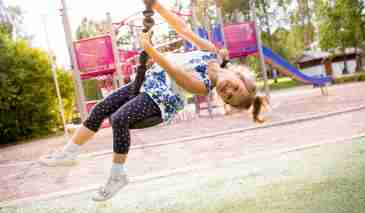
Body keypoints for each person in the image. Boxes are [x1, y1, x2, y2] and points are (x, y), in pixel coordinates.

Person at [39, 0, 269, 201]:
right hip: (148, 83)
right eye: (235, 87)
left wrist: (149, 48)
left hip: (160, 100)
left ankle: (117, 176)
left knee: (119, 119)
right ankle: (68, 154)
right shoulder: (211, 52)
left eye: (228, 97)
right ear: (237, 74)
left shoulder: (202, 86)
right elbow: (183, 29)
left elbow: (175, 71)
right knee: (101, 108)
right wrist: (157, 5)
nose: (228, 90)